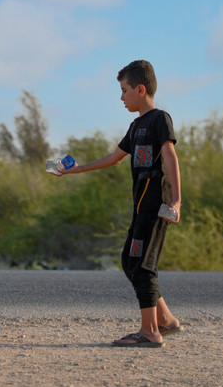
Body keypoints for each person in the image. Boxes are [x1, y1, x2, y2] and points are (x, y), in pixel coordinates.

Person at [55, 60, 183, 347]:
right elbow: (114, 157)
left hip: (157, 204)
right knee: (129, 260)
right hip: (140, 206)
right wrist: (74, 170)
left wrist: (177, 200)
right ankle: (165, 320)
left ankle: (150, 332)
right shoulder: (136, 125)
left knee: (142, 265)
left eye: (124, 91)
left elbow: (171, 157)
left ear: (141, 89)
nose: (121, 97)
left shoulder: (160, 119)